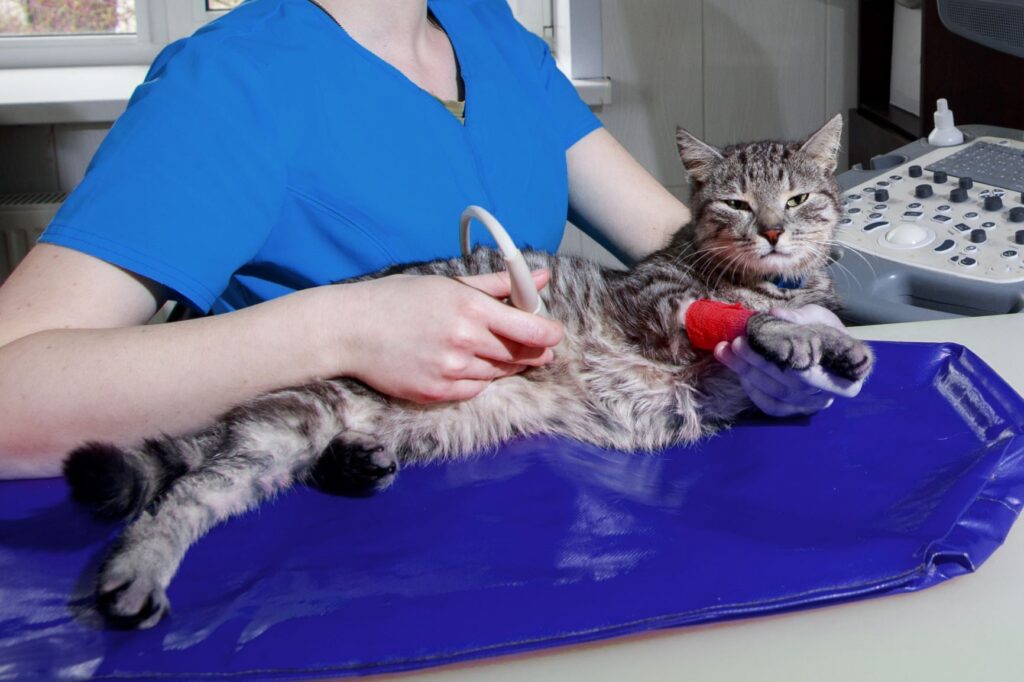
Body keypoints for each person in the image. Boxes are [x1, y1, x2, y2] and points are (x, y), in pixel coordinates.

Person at [0, 0, 855, 479]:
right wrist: (342, 327)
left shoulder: (490, 35)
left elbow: (684, 247)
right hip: (347, 519)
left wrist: (792, 333)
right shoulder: (228, 84)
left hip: (551, 491)